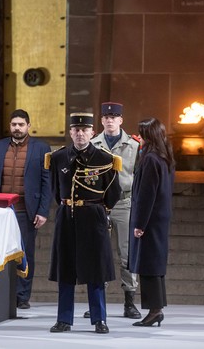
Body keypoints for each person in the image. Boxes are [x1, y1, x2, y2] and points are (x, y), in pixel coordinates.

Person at [47, 112, 121, 334]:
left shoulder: (105, 159)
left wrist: (97, 208)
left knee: (96, 270)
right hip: (67, 216)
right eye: (76, 130)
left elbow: (113, 192)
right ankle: (64, 319)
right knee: (66, 269)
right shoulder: (58, 158)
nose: (80, 134)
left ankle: (99, 319)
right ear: (70, 132)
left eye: (84, 130)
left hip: (93, 216)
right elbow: (54, 190)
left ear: (92, 132)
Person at [0, 109, 52, 309]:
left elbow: (48, 182)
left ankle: (22, 297)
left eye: (21, 124)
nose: (17, 128)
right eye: (14, 124)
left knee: (25, 253)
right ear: (10, 126)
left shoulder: (41, 148)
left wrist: (43, 211)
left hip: (26, 210)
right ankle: (1, 294)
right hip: (0, 210)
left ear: (28, 126)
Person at [83, 102, 141, 319]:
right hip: (99, 204)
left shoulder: (133, 146)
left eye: (114, 116)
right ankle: (97, 302)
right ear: (101, 120)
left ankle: (129, 302)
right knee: (98, 254)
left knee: (127, 255)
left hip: (125, 204)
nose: (110, 120)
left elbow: (139, 176)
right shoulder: (93, 144)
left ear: (121, 120)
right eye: (106, 117)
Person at [129, 117, 175, 327]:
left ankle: (155, 310)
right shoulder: (164, 157)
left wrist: (139, 224)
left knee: (148, 267)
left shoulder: (150, 159)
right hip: (159, 219)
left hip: (150, 220)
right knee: (154, 265)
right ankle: (157, 309)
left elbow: (146, 195)